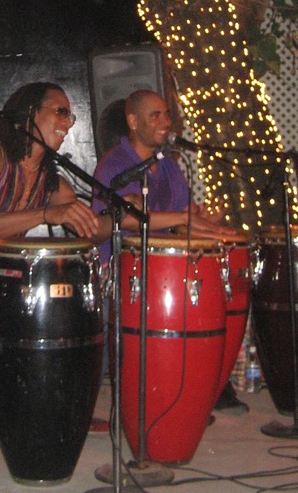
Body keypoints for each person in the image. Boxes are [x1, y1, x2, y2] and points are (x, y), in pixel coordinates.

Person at [0, 81, 112, 484]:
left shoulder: (48, 177)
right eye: (60, 111)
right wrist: (49, 214)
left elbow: (93, 227)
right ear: (30, 113)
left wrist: (124, 218)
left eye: (71, 114)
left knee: (72, 306)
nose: (70, 121)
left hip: (2, 277)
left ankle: (64, 416)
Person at [89, 88, 241, 432]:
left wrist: (211, 224)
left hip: (158, 266)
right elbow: (122, 220)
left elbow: (181, 215)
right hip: (118, 267)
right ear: (133, 120)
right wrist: (187, 221)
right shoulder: (115, 164)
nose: (165, 122)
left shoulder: (168, 164)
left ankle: (186, 396)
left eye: (166, 114)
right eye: (155, 115)